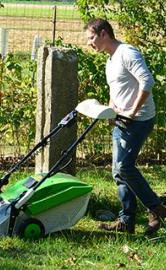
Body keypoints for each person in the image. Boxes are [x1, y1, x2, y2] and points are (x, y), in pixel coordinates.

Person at [84, 18, 166, 235]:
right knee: (118, 172)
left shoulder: (127, 53)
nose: (89, 43)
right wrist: (112, 110)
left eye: (91, 38)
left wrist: (132, 110)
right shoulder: (110, 61)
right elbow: (115, 90)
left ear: (104, 33)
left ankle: (157, 209)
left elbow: (147, 81)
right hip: (121, 120)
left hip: (138, 121)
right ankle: (127, 221)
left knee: (124, 167)